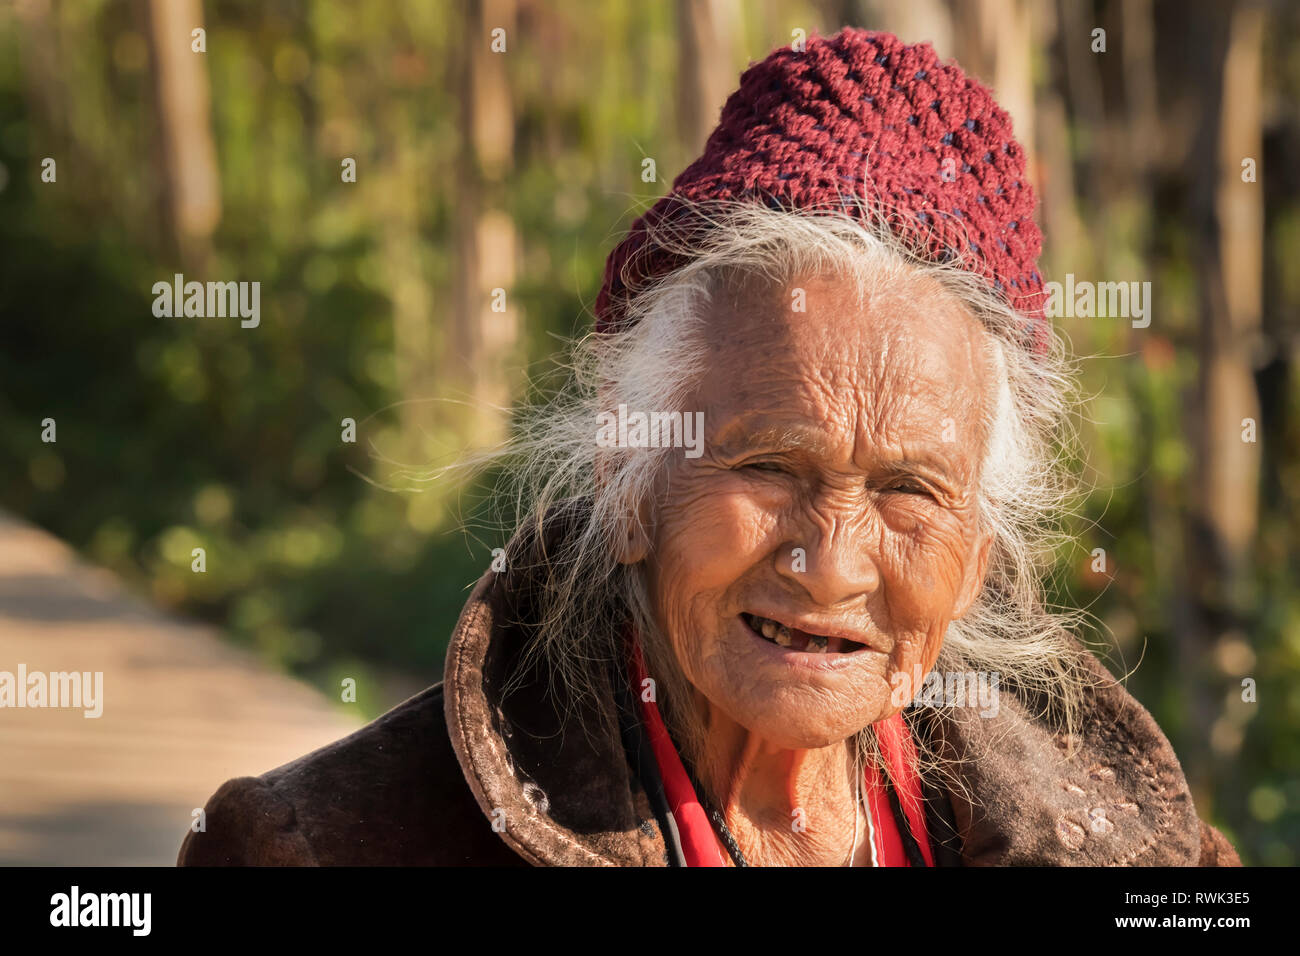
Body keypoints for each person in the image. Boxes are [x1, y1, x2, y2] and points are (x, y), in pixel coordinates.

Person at [178, 27, 1240, 867]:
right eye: (768, 465)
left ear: (974, 555)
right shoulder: (320, 846)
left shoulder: (1132, 847)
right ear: (625, 471)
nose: (829, 562)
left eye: (910, 488)